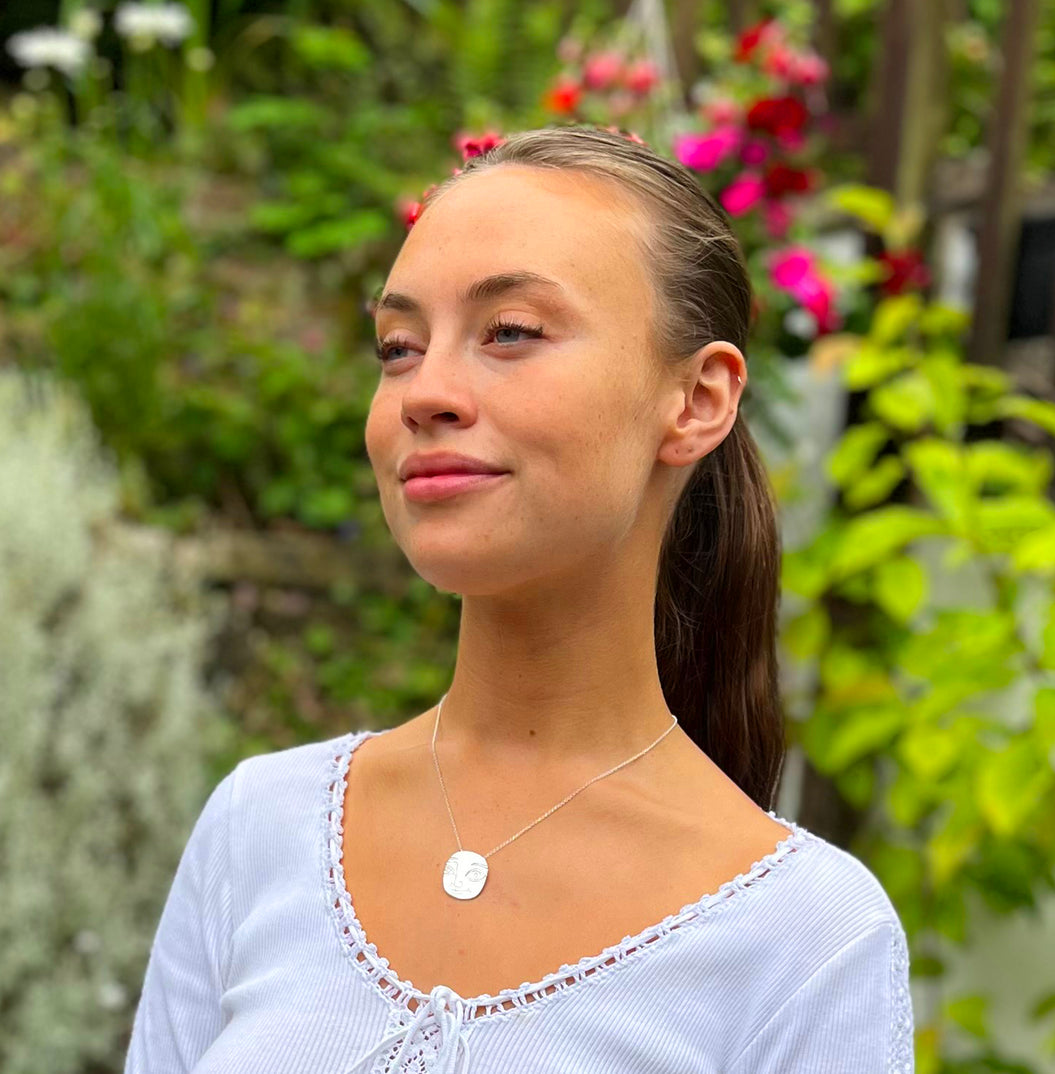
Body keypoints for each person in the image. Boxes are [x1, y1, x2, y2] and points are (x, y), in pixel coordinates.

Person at [123, 125, 914, 1074]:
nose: (427, 392)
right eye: (399, 346)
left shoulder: (808, 940)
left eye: (510, 333)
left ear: (698, 399)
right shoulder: (259, 829)